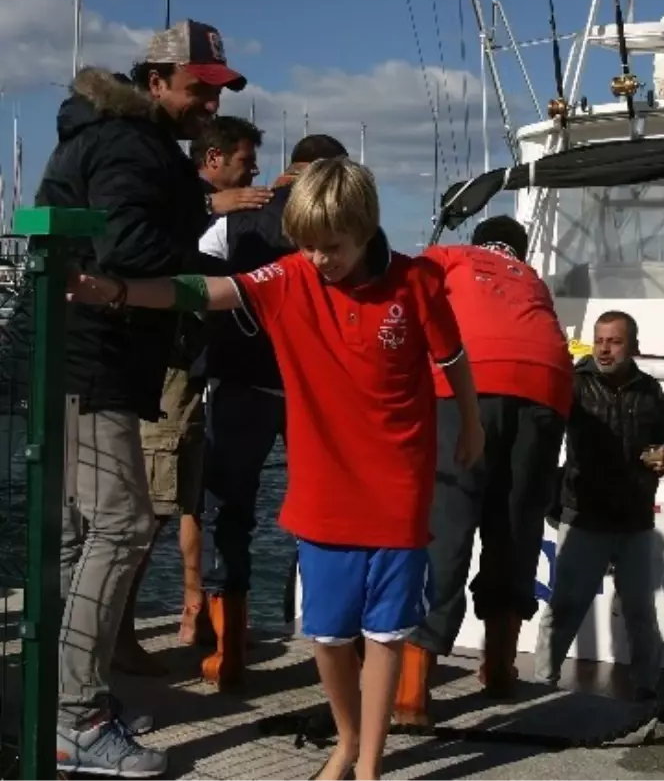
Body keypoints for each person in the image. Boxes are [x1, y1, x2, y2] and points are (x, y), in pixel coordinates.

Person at [68, 157, 485, 781]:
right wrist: (121, 292)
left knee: (387, 634)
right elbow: (203, 291)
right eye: (309, 246)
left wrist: (472, 424)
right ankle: (344, 738)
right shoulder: (289, 277)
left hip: (400, 485)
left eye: (334, 247)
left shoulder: (416, 281)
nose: (321, 259)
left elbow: (452, 358)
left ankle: (368, 763)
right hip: (322, 491)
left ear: (366, 228)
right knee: (328, 637)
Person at [21, 19, 246, 776]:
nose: (209, 105)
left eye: (217, 91)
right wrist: (221, 269)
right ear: (154, 82)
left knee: (79, 536)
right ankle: (76, 718)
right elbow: (123, 248)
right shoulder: (127, 145)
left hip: (74, 359)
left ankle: (52, 698)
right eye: (198, 89)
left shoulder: (127, 140)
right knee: (117, 528)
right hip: (90, 361)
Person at [398, 215, 573, 724]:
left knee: (447, 526)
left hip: (468, 381)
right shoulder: (531, 280)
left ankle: (412, 690)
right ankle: (498, 669)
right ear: (519, 251)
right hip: (547, 387)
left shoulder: (450, 256)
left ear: (480, 243)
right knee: (514, 528)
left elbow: (402, 301)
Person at [114, 115, 271, 674]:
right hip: (171, 372)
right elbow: (163, 258)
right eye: (245, 164)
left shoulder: (206, 211)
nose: (255, 177)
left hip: (191, 373)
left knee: (186, 498)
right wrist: (214, 210)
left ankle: (193, 609)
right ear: (213, 162)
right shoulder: (192, 208)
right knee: (148, 511)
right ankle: (119, 634)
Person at [197, 134, 349, 690]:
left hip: (241, 380)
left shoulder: (238, 219)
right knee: (328, 511)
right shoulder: (339, 222)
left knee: (229, 510)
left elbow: (197, 279)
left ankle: (226, 651)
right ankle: (338, 641)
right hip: (312, 386)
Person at [534, 311, 664, 699]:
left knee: (640, 613)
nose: (604, 349)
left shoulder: (649, 389)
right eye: (599, 340)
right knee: (564, 607)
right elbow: (545, 431)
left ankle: (647, 687)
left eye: (613, 341)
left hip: (634, 517)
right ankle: (541, 683)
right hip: (585, 514)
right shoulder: (575, 385)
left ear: (632, 346)